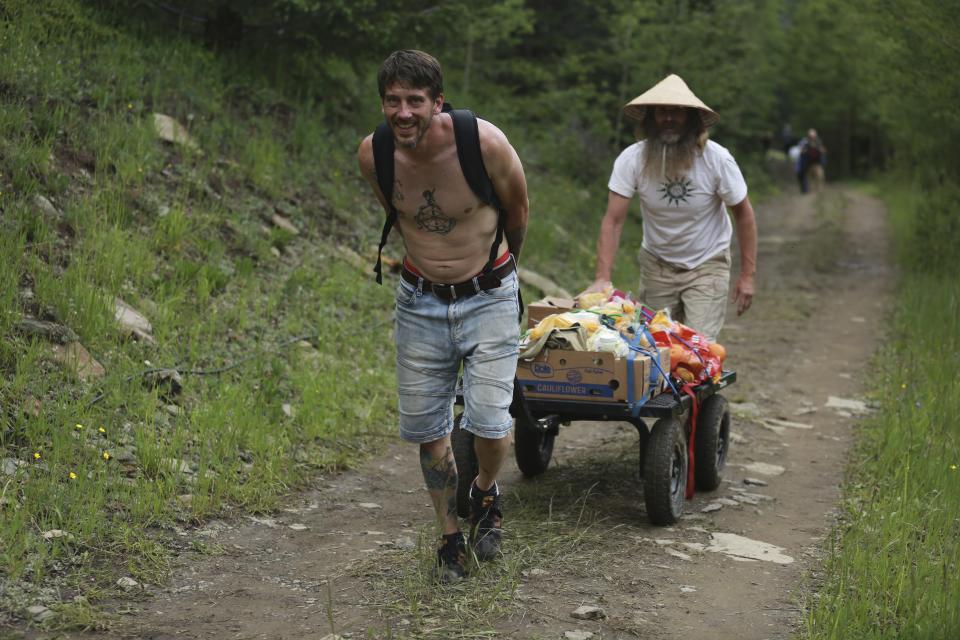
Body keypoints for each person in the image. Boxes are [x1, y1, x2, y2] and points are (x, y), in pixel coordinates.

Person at [357, 50, 529, 583]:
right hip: (420, 301)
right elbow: (399, 214)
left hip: (489, 295)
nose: (402, 113)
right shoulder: (373, 155)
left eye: (415, 101)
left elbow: (517, 210)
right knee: (427, 430)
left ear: (438, 101)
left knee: (491, 425)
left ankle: (484, 493)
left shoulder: (484, 145)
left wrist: (498, 276)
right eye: (392, 100)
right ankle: (450, 537)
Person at [581, 74, 757, 343]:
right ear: (650, 118)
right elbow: (613, 220)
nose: (669, 118)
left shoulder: (716, 159)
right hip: (657, 264)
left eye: (677, 112)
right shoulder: (632, 159)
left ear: (692, 119)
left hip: (707, 263)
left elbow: (743, 214)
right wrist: (602, 277)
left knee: (697, 348)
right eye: (662, 112)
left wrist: (747, 276)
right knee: (654, 346)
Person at [798, 128, 827, 193]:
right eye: (811, 136)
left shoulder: (819, 142)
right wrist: (804, 151)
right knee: (809, 179)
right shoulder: (806, 143)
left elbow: (824, 151)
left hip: (817, 164)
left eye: (813, 136)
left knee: (820, 176)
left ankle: (819, 191)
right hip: (809, 164)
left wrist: (820, 150)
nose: (812, 137)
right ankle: (810, 192)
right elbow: (801, 151)